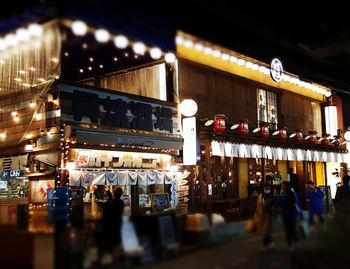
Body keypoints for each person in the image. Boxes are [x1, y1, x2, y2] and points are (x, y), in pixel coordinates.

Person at [96, 187, 125, 265]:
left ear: (115, 193)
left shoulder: (111, 203)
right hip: (117, 224)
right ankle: (116, 260)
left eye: (114, 192)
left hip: (109, 225)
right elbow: (112, 201)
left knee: (103, 242)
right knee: (115, 243)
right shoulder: (121, 202)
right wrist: (108, 192)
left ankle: (100, 260)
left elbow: (103, 205)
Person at [278, 181, 301, 251]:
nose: (281, 187)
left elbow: (283, 203)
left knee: (290, 230)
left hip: (289, 213)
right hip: (289, 214)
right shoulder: (289, 192)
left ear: (285, 186)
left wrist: (280, 197)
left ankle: (292, 244)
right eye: (281, 185)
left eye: (282, 185)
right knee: (291, 229)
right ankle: (294, 243)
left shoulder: (287, 193)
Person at [255, 183, 276, 253]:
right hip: (263, 215)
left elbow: (274, 206)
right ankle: (267, 244)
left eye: (268, 188)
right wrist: (256, 214)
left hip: (269, 215)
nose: (267, 189)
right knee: (266, 231)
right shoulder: (261, 196)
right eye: (266, 188)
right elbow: (258, 205)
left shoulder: (271, 196)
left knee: (267, 230)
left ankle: (268, 244)